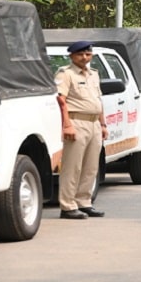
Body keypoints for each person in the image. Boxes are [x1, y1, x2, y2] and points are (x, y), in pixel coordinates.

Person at [54, 40, 108, 219]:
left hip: (94, 124)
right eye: (80, 54)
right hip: (77, 122)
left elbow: (98, 101)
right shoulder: (66, 74)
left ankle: (84, 202)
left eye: (88, 54)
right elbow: (61, 100)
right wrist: (67, 124)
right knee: (73, 166)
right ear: (72, 56)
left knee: (91, 166)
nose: (84, 57)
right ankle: (68, 205)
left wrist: (103, 124)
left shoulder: (94, 74)